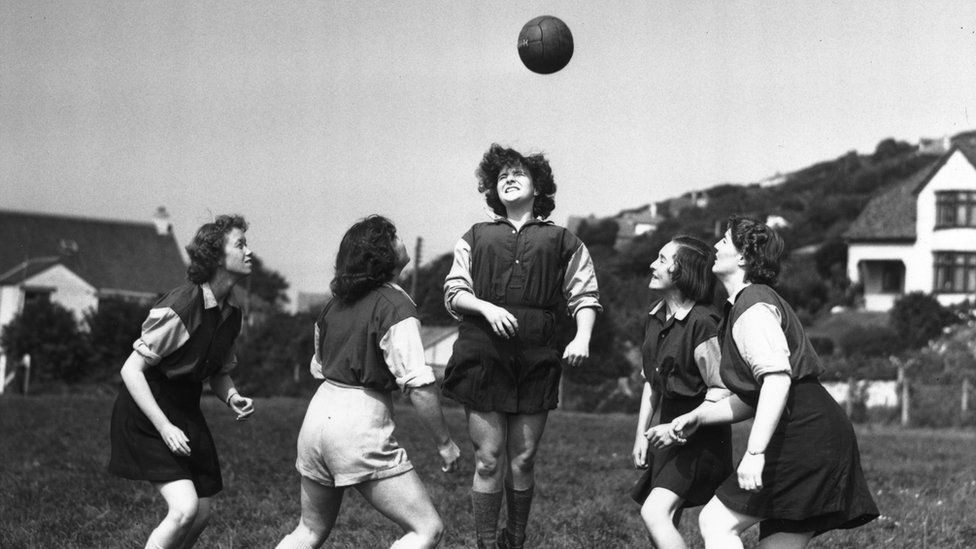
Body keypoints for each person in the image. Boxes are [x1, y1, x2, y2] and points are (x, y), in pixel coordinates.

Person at [659, 216, 879, 549]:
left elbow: (777, 380)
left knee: (716, 522)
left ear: (744, 257)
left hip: (804, 432)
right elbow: (753, 396)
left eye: (724, 242)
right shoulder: (744, 305)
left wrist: (755, 451)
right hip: (816, 431)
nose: (715, 247)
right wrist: (700, 416)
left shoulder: (753, 305)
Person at [442, 143, 602, 549]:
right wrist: (485, 308)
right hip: (482, 351)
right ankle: (484, 544)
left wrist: (581, 336)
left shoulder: (563, 240)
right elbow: (454, 291)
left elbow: (585, 296)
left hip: (536, 355)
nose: (509, 179)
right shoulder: (475, 236)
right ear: (493, 190)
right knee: (488, 458)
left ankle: (514, 540)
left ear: (538, 187)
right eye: (501, 176)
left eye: (519, 174)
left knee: (523, 459)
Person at [276, 215, 461, 549]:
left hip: (317, 415)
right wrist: (445, 443)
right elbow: (419, 386)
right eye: (394, 236)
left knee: (309, 530)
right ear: (383, 254)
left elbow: (318, 367)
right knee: (427, 530)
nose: (400, 240)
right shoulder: (396, 305)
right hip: (358, 422)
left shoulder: (331, 306)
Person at [108, 214, 257, 549]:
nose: (249, 252)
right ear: (217, 257)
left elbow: (219, 374)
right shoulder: (182, 305)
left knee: (200, 514)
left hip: (185, 409)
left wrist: (232, 397)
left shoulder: (231, 312)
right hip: (148, 411)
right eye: (240, 244)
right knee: (184, 509)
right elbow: (131, 370)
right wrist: (164, 427)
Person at [631, 236, 732, 549]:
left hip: (700, 434)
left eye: (662, 260)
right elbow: (652, 382)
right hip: (666, 429)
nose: (652, 265)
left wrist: (687, 423)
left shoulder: (703, 323)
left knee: (655, 512)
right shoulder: (655, 317)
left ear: (683, 271)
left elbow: (722, 388)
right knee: (661, 519)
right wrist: (641, 435)